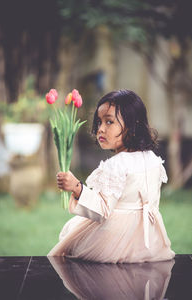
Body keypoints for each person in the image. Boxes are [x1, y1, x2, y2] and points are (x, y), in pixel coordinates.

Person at [47, 89, 175, 263]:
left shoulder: (116, 165)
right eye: (99, 122)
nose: (101, 129)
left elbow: (102, 210)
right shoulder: (153, 159)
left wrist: (77, 187)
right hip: (150, 241)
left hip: (117, 242)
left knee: (71, 235)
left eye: (109, 122)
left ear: (133, 126)